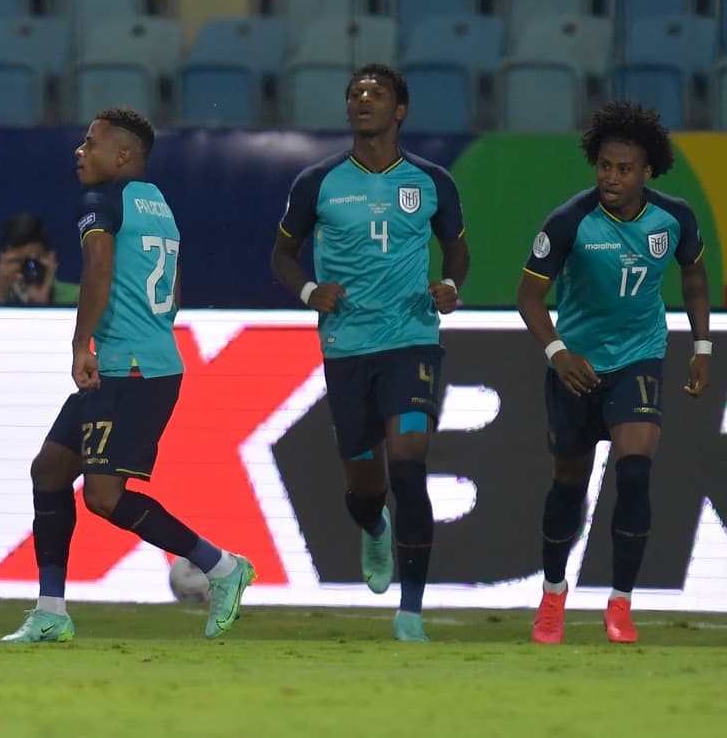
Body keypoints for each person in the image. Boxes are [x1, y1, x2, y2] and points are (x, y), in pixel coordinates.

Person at [1, 107, 255, 645]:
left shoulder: (102, 201)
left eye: (90, 143)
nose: (79, 152)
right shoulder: (160, 206)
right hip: (143, 361)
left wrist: (80, 344)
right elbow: (176, 291)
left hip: (130, 370)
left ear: (122, 156)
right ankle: (51, 610)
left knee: (104, 497)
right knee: (49, 471)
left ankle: (222, 567)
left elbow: (97, 271)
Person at [269, 64, 469, 642]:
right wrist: (310, 291)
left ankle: (410, 610)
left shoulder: (432, 182)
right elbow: (281, 256)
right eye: (355, 93)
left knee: (409, 464)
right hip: (347, 346)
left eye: (376, 93)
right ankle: (372, 528)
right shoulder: (318, 182)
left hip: (412, 341)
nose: (362, 100)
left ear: (400, 111)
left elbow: (458, 253)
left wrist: (451, 287)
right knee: (365, 486)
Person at [517, 101, 711, 645]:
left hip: (640, 357)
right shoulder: (570, 221)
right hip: (575, 366)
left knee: (633, 473)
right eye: (605, 166)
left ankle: (620, 604)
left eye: (624, 169)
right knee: (568, 486)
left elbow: (694, 278)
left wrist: (702, 346)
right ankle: (553, 594)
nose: (611, 178)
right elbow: (529, 296)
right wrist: (558, 352)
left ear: (648, 172)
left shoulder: (673, 219)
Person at [0, 213, 80, 306]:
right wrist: (0, 297)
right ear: (2, 261)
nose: (26, 269)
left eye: (32, 261)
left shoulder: (77, 298)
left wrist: (44, 306)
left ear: (51, 258)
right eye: (17, 262)